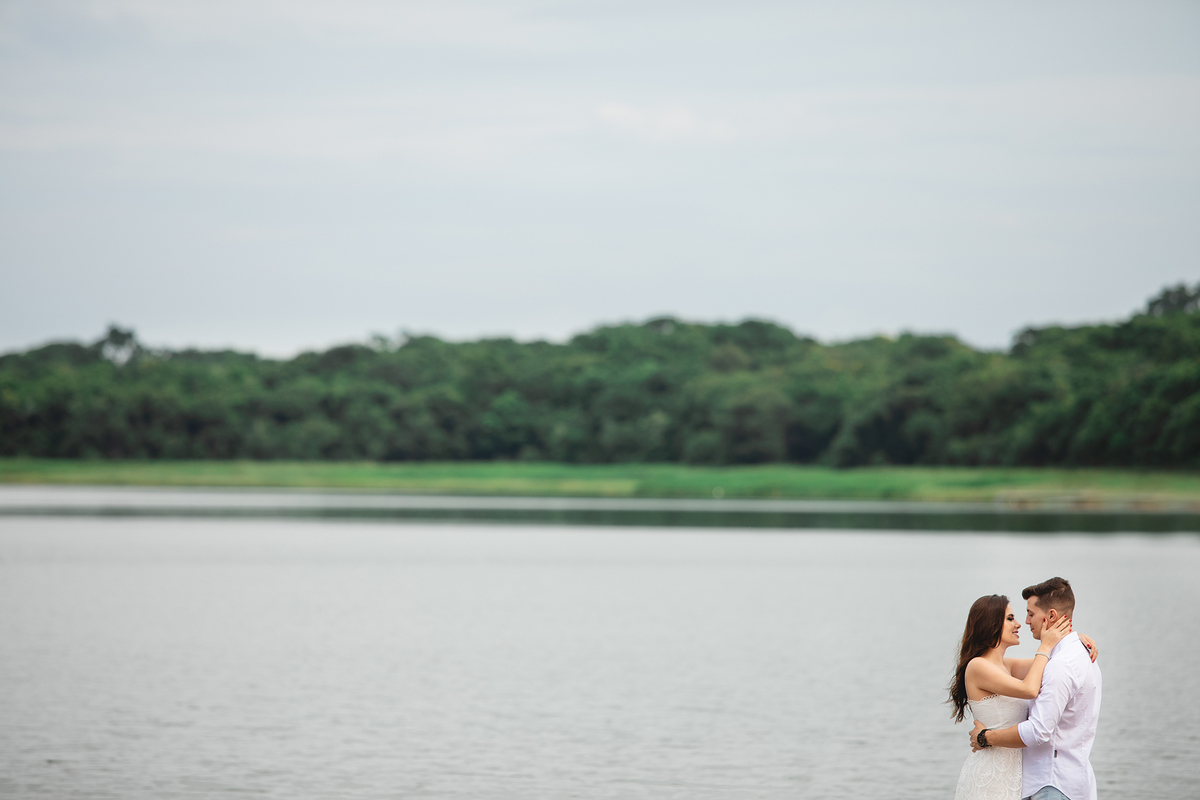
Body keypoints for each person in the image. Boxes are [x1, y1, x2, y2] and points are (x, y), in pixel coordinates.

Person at [949, 589, 1098, 800]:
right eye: (1010, 618)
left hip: (1017, 775)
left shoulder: (1007, 666)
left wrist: (1072, 640)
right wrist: (1046, 644)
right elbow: (1029, 689)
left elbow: (1050, 664)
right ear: (991, 624)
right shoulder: (977, 667)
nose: (1019, 624)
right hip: (992, 775)